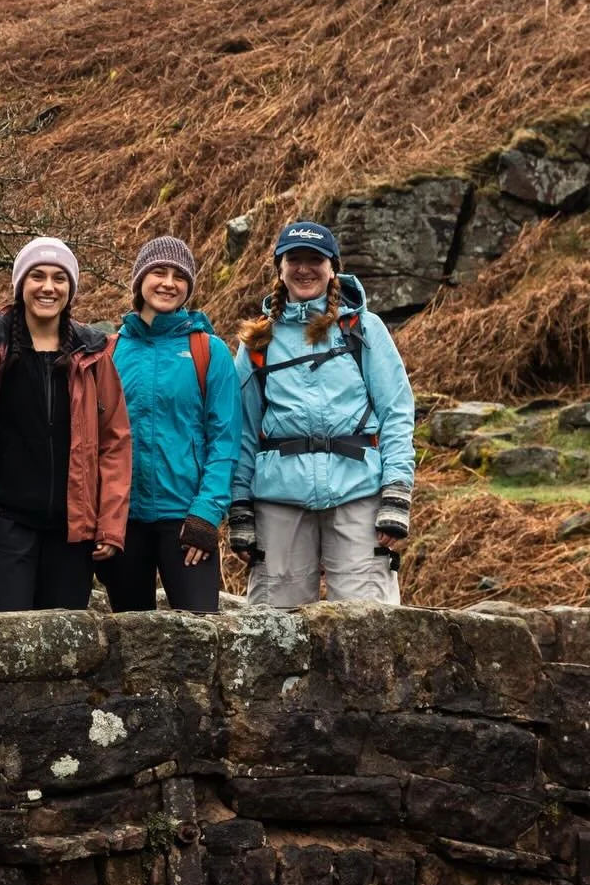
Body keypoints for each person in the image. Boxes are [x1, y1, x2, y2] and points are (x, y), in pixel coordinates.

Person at [228, 219, 415, 606]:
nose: (304, 268)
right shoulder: (258, 341)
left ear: (333, 267)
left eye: (315, 259)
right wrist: (240, 505)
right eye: (294, 258)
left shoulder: (363, 329)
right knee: (274, 627)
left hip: (358, 492)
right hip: (278, 498)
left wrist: (397, 493)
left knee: (370, 624)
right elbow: (241, 430)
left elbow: (396, 411)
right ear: (280, 268)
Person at [0, 237, 132, 613]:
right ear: (20, 285)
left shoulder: (93, 356)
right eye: (37, 276)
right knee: (7, 649)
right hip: (3, 527)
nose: (48, 287)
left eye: (59, 278)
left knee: (67, 656)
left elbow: (115, 442)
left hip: (72, 531)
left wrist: (109, 524)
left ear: (71, 288)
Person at [96, 237, 239, 615]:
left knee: (201, 637)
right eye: (159, 272)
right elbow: (92, 440)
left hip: (187, 521)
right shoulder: (109, 352)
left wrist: (207, 513)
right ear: (140, 280)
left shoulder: (210, 351)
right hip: (122, 521)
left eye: (179, 276)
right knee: (131, 641)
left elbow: (224, 441)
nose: (168, 283)